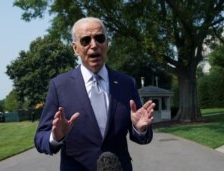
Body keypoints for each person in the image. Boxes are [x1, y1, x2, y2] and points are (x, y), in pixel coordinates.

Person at [34, 17, 155, 171]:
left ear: (107, 43)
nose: (94, 45)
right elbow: (40, 139)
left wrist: (140, 129)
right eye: (85, 40)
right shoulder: (59, 86)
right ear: (75, 48)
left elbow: (142, 136)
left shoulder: (126, 83)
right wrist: (55, 137)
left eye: (99, 38)